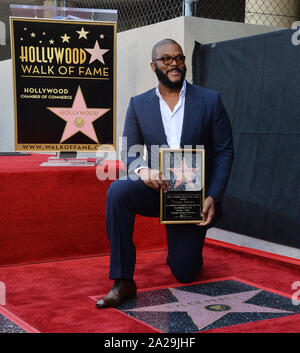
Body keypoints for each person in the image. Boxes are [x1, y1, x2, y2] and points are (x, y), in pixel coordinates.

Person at [96, 38, 234, 309]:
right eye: (167, 59)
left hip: (191, 197)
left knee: (185, 273)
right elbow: (131, 151)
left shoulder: (209, 100)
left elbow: (224, 151)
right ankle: (122, 280)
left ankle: (183, 252)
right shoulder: (139, 104)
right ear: (154, 65)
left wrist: (213, 196)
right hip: (156, 189)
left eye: (179, 58)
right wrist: (143, 170)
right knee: (118, 191)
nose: (175, 64)